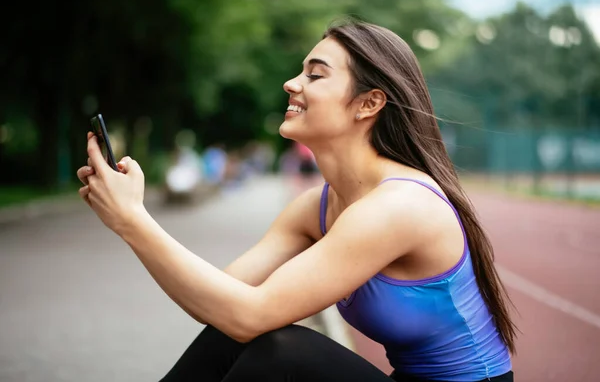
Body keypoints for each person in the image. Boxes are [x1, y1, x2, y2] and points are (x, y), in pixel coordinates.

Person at [76, 19, 516, 382]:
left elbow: (250, 316)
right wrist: (130, 218)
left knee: (279, 348)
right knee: (234, 334)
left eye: (314, 74)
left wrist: (132, 220)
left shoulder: (399, 206)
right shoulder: (316, 208)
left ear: (369, 103)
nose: (291, 83)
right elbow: (222, 300)